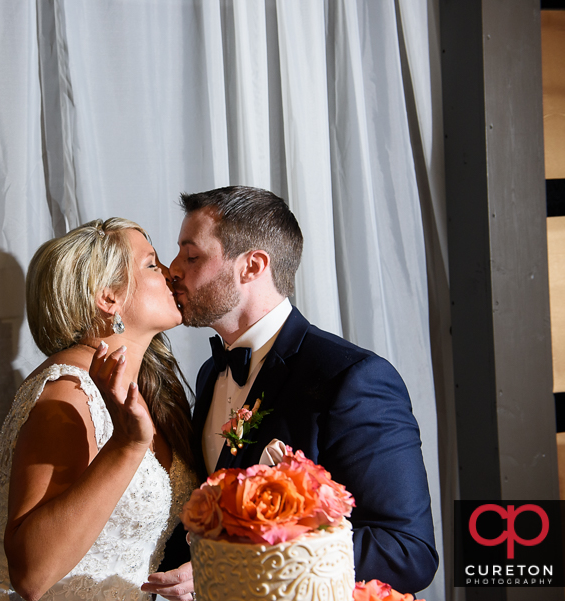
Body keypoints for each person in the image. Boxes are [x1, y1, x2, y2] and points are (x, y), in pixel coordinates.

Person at [139, 186, 439, 599]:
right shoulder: (211, 373)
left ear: (252, 266)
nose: (172, 270)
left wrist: (238, 566)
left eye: (192, 256)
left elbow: (408, 551)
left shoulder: (353, 378)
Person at [0, 218, 200, 601]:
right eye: (152, 264)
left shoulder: (150, 390)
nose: (171, 273)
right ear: (108, 298)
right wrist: (126, 446)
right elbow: (30, 575)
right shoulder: (67, 395)